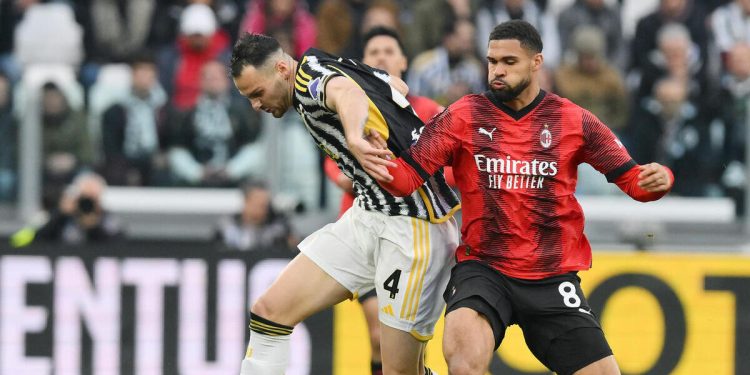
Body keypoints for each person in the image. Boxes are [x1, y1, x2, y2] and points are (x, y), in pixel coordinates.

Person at [361, 20, 674, 375]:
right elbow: (407, 179)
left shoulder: (573, 120)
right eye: (492, 61)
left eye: (509, 62)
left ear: (536, 62)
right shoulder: (463, 115)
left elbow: (636, 183)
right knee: (462, 360)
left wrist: (660, 179)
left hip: (551, 276)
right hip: (483, 269)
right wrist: (379, 158)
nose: (497, 71)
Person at [231, 33, 460, 375]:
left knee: (399, 370)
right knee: (269, 312)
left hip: (415, 229)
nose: (256, 105)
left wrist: (354, 134)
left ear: (281, 69)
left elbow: (345, 93)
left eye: (257, 94)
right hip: (369, 215)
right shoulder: (324, 62)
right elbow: (394, 84)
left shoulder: (310, 81)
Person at [322, 26, 449, 375]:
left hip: (415, 240)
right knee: (378, 335)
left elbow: (449, 173)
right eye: (374, 52)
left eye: (389, 50)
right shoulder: (350, 112)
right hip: (364, 236)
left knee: (407, 347)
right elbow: (339, 174)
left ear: (404, 60)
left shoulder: (429, 112)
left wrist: (380, 166)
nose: (381, 57)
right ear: (362, 63)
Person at [215, 179, 297, 251]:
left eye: (266, 204)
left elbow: (292, 248)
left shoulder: (279, 228)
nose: (264, 209)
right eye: (259, 204)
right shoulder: (227, 226)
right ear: (246, 202)